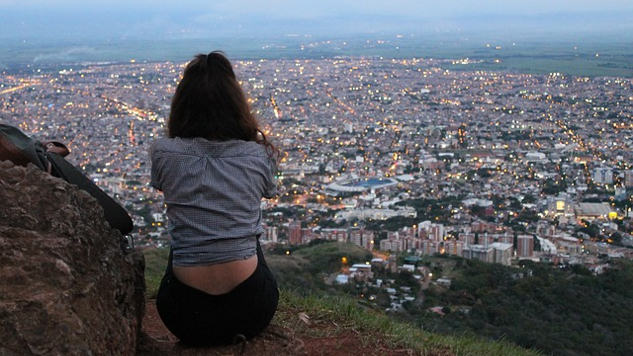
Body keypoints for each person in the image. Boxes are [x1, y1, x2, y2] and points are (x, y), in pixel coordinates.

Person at [149, 51, 279, 346]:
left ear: (182, 105)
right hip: (252, 310)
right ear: (236, 104)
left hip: (183, 315)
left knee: (184, 231)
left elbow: (161, 186)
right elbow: (268, 191)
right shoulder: (258, 155)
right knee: (248, 234)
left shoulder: (164, 152)